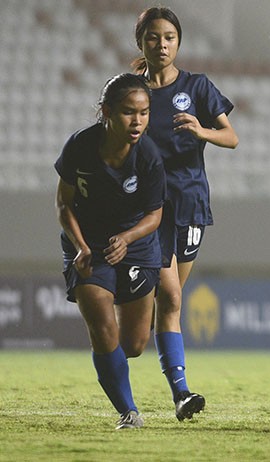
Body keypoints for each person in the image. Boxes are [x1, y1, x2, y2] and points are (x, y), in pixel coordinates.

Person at [131, 6, 239, 421]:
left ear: (179, 42)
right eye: (153, 37)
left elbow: (231, 137)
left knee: (167, 302)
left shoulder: (197, 86)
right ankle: (181, 393)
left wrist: (201, 130)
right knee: (172, 296)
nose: (162, 45)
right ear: (141, 42)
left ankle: (138, 332)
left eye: (169, 38)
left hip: (190, 203)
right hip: (148, 207)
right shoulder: (130, 91)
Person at [55, 73, 165, 429]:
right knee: (102, 326)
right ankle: (128, 412)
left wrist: (127, 238)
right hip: (89, 246)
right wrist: (81, 247)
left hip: (136, 245)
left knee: (133, 344)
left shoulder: (148, 156)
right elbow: (63, 203)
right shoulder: (80, 146)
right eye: (129, 112)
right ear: (106, 112)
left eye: (144, 113)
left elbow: (155, 215)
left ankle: (115, 366)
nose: (137, 121)